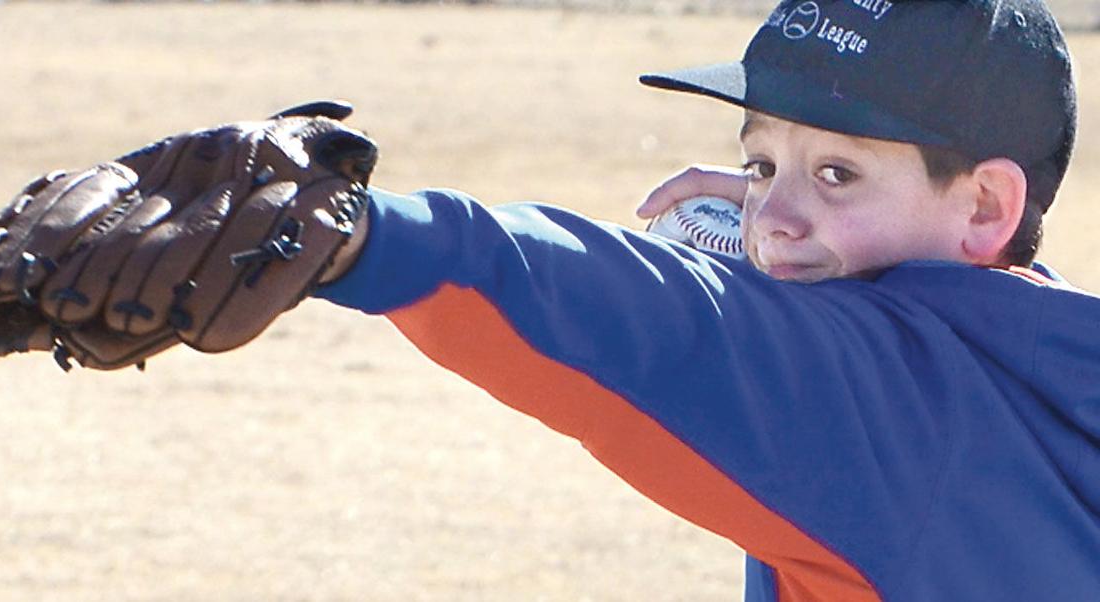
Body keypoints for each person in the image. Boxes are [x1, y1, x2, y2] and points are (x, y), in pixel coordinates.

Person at [316, 0, 1099, 599]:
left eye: (839, 172)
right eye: (759, 163)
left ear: (987, 206)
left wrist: (366, 235)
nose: (772, 219)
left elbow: (656, 324)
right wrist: (813, 203)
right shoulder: (1049, 362)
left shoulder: (890, 411)